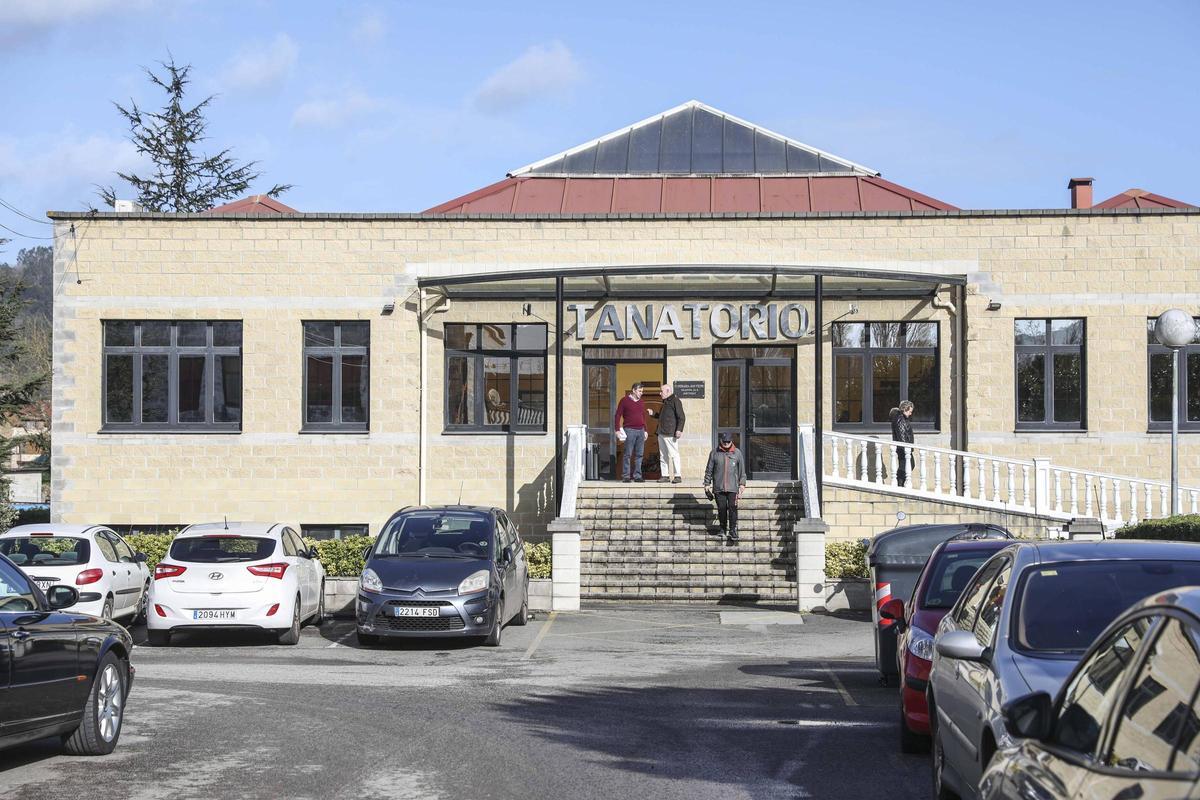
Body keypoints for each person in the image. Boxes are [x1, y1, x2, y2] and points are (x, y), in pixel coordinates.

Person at [703, 432, 746, 543]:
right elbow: (709, 470)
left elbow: (742, 471)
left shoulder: (737, 453)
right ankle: (722, 528)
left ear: (731, 441)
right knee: (721, 509)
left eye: (728, 441)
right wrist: (707, 484)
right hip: (719, 487)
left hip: (733, 487)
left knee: (732, 508)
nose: (726, 443)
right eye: (724, 441)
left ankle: (732, 530)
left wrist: (742, 484)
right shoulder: (714, 453)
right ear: (721, 441)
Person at [649, 383, 686, 483]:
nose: (660, 393)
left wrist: (679, 429)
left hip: (670, 433)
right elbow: (662, 417)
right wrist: (653, 414)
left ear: (668, 391)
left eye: (661, 391)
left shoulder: (675, 401)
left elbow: (681, 417)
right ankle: (665, 475)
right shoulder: (665, 402)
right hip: (661, 432)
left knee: (674, 454)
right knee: (663, 455)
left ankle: (677, 476)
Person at [614, 382, 647, 482]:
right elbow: (618, 415)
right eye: (639, 391)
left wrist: (645, 430)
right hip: (629, 430)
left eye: (642, 391)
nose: (641, 393)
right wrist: (617, 430)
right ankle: (626, 476)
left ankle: (637, 476)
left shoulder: (641, 402)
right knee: (627, 454)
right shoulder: (624, 401)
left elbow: (643, 416)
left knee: (639, 454)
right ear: (633, 390)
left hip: (641, 430)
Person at [890, 400, 915, 487]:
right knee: (905, 466)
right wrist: (906, 448)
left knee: (908, 465)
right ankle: (899, 484)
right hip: (903, 448)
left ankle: (900, 483)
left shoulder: (902, 418)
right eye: (910, 411)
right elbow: (901, 435)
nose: (910, 413)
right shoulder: (900, 419)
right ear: (905, 409)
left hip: (905, 448)